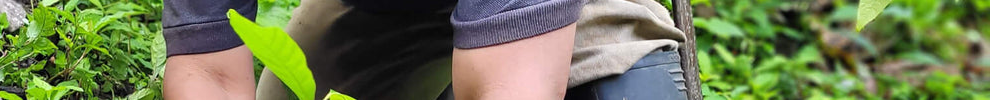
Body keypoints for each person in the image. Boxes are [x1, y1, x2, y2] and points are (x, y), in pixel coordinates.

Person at [162, 0, 686, 99]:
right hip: (374, 10)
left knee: (623, 75)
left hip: (552, 15)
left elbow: (509, 89)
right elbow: (207, 71)